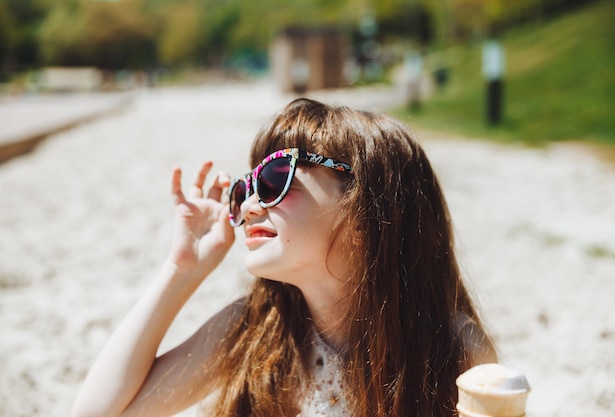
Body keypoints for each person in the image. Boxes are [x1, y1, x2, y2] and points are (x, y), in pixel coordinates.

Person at [71, 98, 497, 417]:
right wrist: (181, 271)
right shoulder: (258, 329)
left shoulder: (452, 346)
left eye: (276, 178)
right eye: (245, 188)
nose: (250, 205)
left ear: (368, 210)